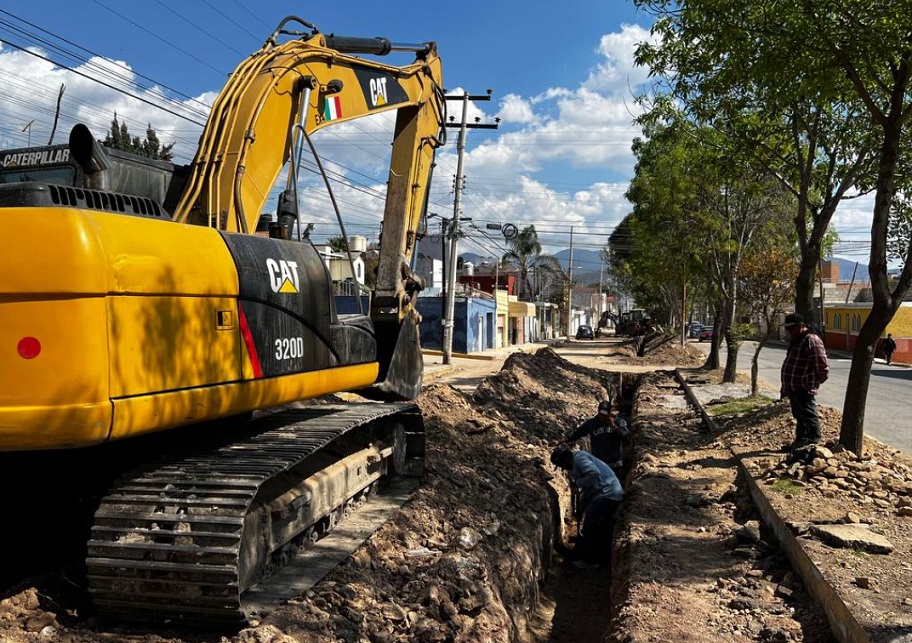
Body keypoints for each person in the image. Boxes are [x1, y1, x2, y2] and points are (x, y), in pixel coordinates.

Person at [550, 446, 624, 569]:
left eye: (563, 464)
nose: (564, 468)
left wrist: (577, 483)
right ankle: (602, 556)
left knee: (591, 525)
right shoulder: (576, 462)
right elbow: (589, 488)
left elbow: (594, 474)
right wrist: (582, 507)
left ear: (566, 458)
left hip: (607, 493)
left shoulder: (579, 459)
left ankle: (590, 560)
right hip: (608, 492)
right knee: (600, 526)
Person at [780, 312, 830, 451]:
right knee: (800, 416)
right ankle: (800, 442)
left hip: (804, 387)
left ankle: (814, 442)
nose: (788, 331)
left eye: (790, 327)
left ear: (800, 326)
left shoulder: (811, 339)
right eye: (787, 328)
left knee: (808, 414)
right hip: (794, 388)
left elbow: (822, 365)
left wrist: (812, 382)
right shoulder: (798, 339)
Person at [564, 400, 630, 480]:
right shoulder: (592, 423)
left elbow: (626, 437)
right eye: (601, 414)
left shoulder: (618, 422)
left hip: (615, 465)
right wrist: (564, 439)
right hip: (599, 465)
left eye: (605, 414)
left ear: (609, 413)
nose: (602, 416)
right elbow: (578, 433)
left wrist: (614, 427)